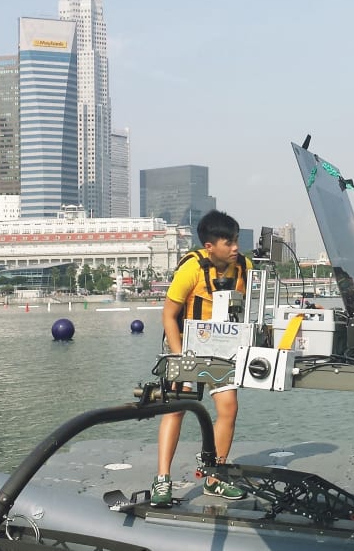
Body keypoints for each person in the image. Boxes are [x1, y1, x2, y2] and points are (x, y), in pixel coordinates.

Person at [151, 210, 251, 506]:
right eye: (229, 242)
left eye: (236, 240)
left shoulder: (242, 267)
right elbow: (168, 315)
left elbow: (240, 308)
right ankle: (162, 479)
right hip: (186, 347)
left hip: (222, 349)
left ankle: (215, 478)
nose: (235, 247)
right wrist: (180, 356)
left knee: (229, 408)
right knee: (176, 410)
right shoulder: (191, 270)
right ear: (210, 246)